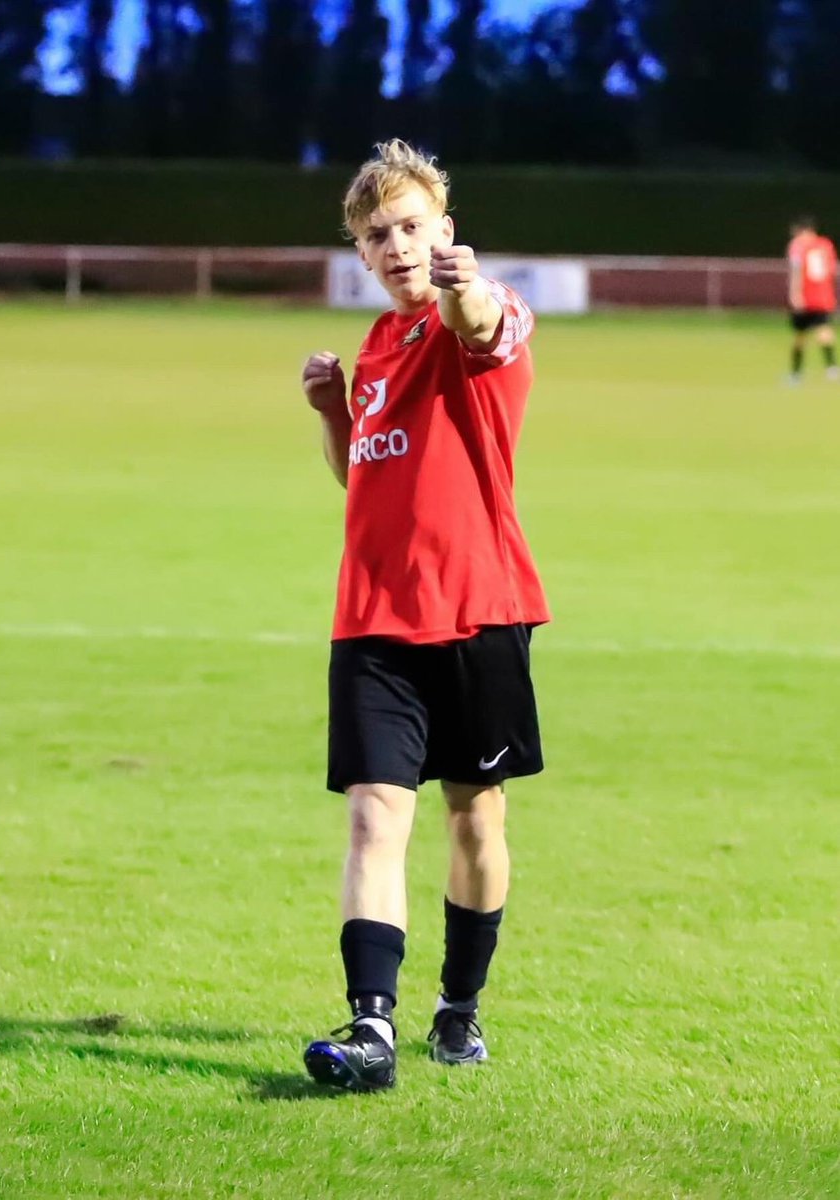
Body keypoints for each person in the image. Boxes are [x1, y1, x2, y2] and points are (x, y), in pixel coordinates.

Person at [299, 139, 550, 1092]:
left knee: (474, 821)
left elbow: (481, 320)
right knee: (372, 820)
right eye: (377, 235)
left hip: (477, 612)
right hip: (370, 620)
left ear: (443, 232)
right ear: (359, 254)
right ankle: (371, 1030)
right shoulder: (369, 349)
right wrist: (332, 412)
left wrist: (466, 286)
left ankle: (459, 1007)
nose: (396, 245)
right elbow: (362, 475)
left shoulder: (477, 314)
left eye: (411, 227)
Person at [786, 217, 838, 384]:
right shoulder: (826, 245)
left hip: (806, 297)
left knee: (800, 335)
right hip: (825, 297)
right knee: (824, 330)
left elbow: (797, 270)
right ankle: (832, 368)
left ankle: (796, 373)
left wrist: (795, 293)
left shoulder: (798, 247)